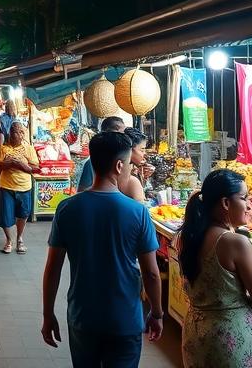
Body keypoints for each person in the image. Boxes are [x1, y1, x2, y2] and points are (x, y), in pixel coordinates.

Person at [41, 132, 163, 368]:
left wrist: (48, 314)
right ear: (119, 166)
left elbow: (52, 269)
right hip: (124, 319)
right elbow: (151, 273)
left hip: (82, 316)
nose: (130, 170)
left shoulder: (67, 209)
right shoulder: (137, 213)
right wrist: (156, 313)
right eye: (128, 164)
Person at [178, 169, 252, 368]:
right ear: (225, 203)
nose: (250, 205)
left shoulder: (191, 235)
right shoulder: (235, 242)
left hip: (196, 332)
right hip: (229, 337)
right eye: (244, 198)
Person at [0, 121, 40, 254]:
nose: (16, 134)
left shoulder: (28, 148)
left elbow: (35, 168)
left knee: (23, 214)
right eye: (13, 131)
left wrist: (22, 165)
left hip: (24, 187)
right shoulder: (4, 149)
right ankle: (9, 240)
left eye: (19, 132)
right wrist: (8, 164)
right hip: (7, 186)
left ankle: (20, 238)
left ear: (22, 134)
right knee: (5, 216)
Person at [75, 117, 128, 193]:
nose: (124, 138)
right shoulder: (91, 162)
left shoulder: (124, 159)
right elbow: (82, 190)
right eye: (122, 133)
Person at [122, 127, 155, 202]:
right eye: (142, 150)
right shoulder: (130, 179)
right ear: (130, 150)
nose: (144, 154)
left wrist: (144, 177)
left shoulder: (135, 168)